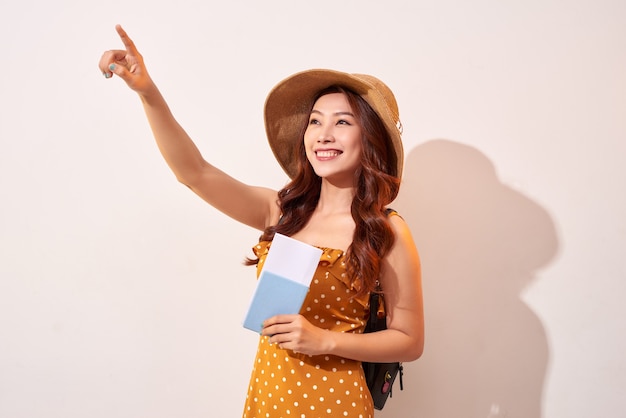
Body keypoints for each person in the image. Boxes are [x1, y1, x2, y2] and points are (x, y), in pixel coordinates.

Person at [99, 24, 424, 418]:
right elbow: (195, 173)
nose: (323, 134)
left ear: (369, 138)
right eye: (315, 121)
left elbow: (409, 340)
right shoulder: (282, 212)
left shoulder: (386, 229)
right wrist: (147, 92)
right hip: (268, 398)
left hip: (337, 405)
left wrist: (325, 341)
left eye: (342, 122)